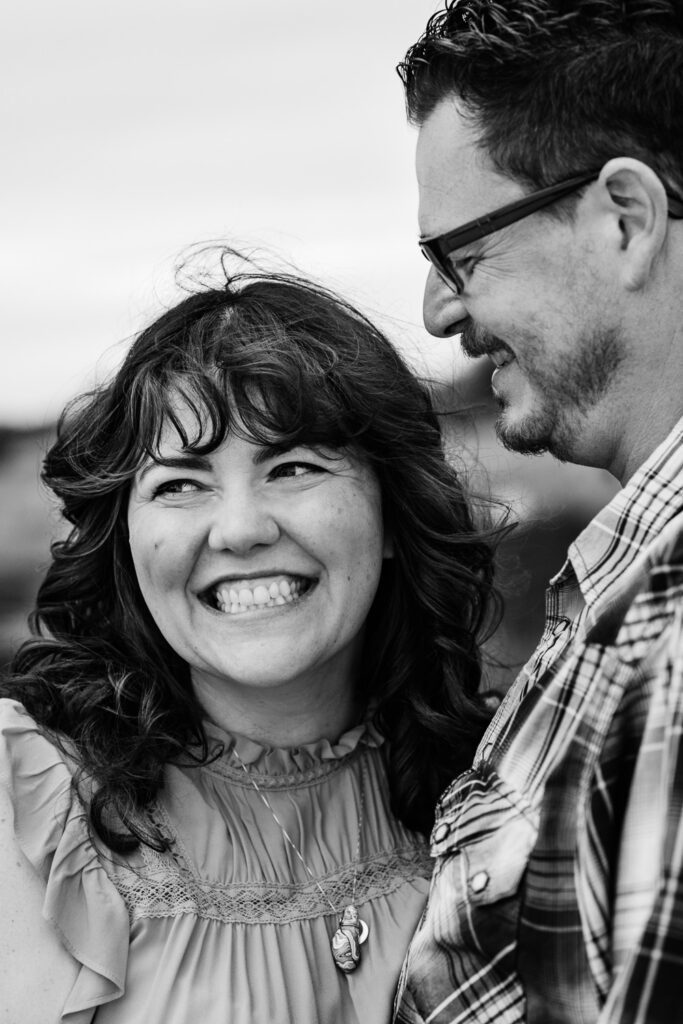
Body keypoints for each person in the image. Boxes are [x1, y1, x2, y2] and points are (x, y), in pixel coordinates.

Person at [0, 254, 499, 1024]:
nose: (238, 530)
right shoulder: (30, 805)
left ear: (391, 513)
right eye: (178, 485)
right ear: (127, 544)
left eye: (293, 467)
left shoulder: (505, 784)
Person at [392, 2, 683, 1023]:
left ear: (622, 219)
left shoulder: (670, 635)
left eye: (460, 256)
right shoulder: (623, 592)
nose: (437, 312)